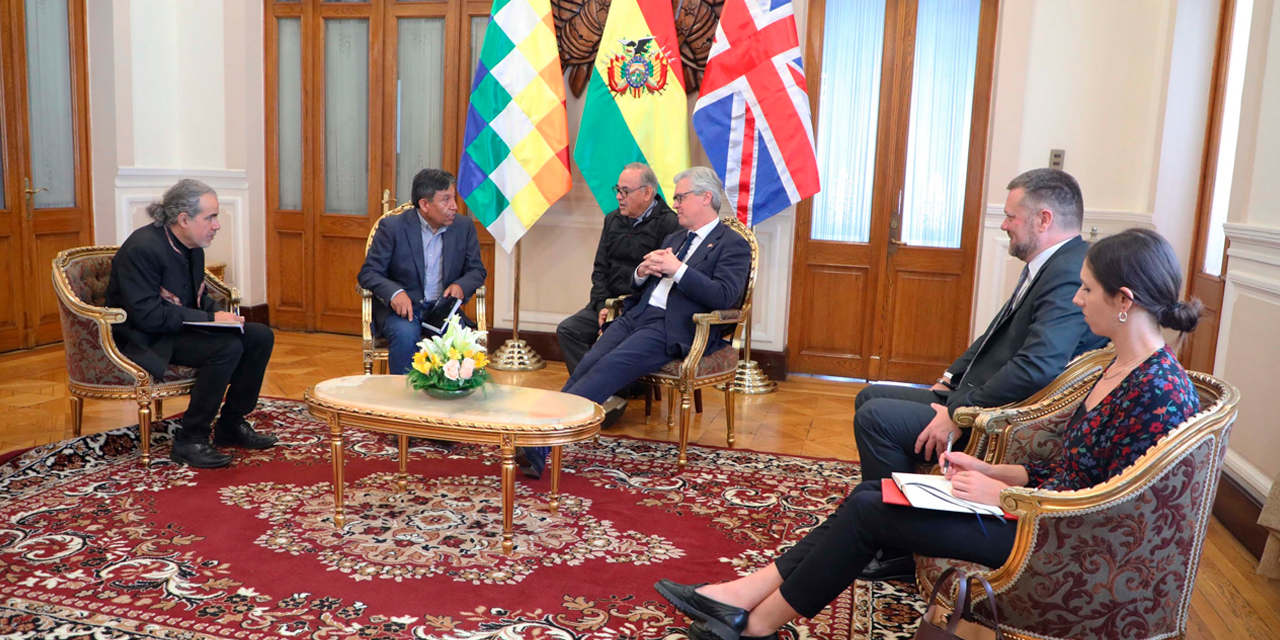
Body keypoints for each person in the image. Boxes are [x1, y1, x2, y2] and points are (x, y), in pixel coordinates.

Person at [654, 227, 1203, 640]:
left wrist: (1008, 495)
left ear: (1124, 300)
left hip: (1059, 541)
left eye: (1087, 290)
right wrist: (991, 471)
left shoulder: (1156, 390)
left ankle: (755, 622)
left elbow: (1114, 510)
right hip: (1036, 511)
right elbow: (1069, 471)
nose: (1078, 300)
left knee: (873, 511)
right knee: (873, 492)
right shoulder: (1113, 366)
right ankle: (749, 595)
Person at [853, 168, 1107, 580]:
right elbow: (996, 335)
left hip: (1003, 418)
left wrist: (958, 410)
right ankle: (909, 508)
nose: (1004, 224)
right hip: (979, 396)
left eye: (1011, 216)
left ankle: (898, 547)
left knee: (875, 418)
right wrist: (950, 380)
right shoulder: (1054, 263)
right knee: (871, 395)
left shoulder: (1065, 272)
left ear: (1044, 219)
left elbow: (1037, 366)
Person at [520, 167, 751, 479]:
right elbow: (640, 282)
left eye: (681, 197)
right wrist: (641, 273)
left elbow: (724, 296)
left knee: (608, 368)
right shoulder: (676, 237)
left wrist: (678, 269)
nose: (676, 203)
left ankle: (542, 443)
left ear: (706, 198)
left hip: (674, 327)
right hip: (638, 315)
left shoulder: (731, 244)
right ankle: (543, 432)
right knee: (589, 361)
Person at [106, 179, 277, 469]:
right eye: (210, 217)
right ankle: (191, 439)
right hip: (144, 338)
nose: (217, 225)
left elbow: (193, 297)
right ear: (183, 219)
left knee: (259, 336)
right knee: (225, 347)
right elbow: (146, 316)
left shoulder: (193, 246)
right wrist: (211, 320)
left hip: (176, 327)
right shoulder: (143, 248)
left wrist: (224, 317)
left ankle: (231, 425)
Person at [358, 169, 488, 375]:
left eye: (453, 198)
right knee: (405, 334)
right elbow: (369, 273)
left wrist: (461, 285)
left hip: (443, 311)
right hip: (403, 313)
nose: (454, 206)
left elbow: (477, 270)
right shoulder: (393, 228)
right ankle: (403, 398)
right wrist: (395, 293)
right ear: (424, 204)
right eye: (445, 200)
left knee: (460, 340)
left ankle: (451, 398)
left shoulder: (463, 227)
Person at [556, 162, 679, 377]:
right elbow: (600, 271)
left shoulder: (669, 224)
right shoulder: (612, 219)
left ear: (647, 193)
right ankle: (592, 392)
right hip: (607, 305)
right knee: (569, 330)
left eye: (625, 191)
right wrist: (602, 305)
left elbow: (661, 280)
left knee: (619, 338)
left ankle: (614, 390)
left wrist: (624, 307)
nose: (619, 197)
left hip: (638, 310)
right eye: (618, 190)